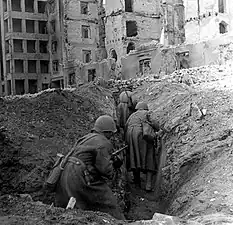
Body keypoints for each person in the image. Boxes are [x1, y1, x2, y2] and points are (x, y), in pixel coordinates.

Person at [55, 115, 125, 220]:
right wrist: (115, 164)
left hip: (66, 173)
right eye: (111, 133)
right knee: (109, 202)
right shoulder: (103, 142)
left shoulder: (85, 137)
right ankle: (120, 221)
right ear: (106, 132)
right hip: (79, 176)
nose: (111, 136)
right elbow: (106, 171)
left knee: (78, 207)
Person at [125, 102, 160, 192]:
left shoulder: (132, 116)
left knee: (134, 156)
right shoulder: (147, 113)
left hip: (130, 135)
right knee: (149, 156)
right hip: (142, 136)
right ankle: (148, 185)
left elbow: (125, 127)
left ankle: (137, 181)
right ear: (145, 108)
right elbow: (156, 125)